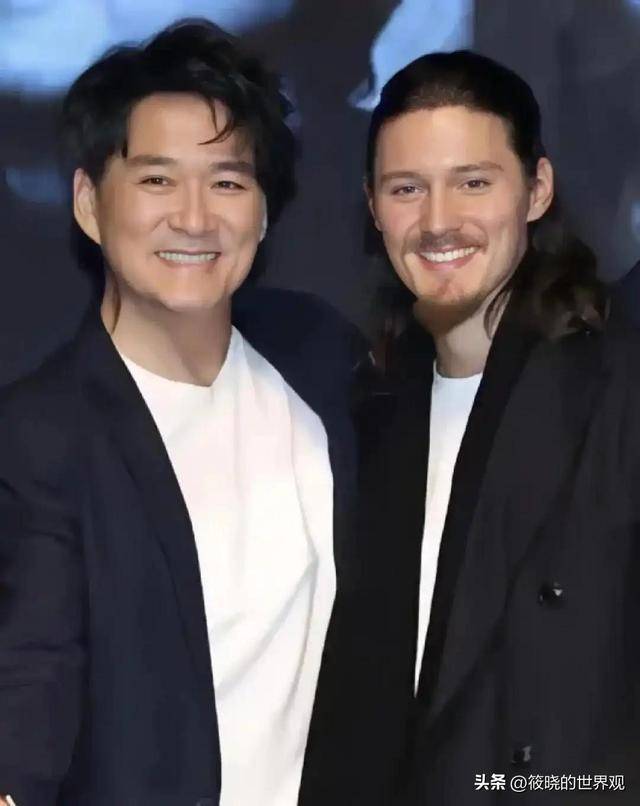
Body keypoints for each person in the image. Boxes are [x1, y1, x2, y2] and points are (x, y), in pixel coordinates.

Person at [0, 20, 361, 806]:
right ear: (90, 204)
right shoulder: (37, 438)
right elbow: (31, 676)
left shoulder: (321, 357)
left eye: (227, 183)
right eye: (158, 180)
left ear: (263, 213)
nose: (195, 219)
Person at [302, 50, 640, 805]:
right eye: (406, 188)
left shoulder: (616, 392)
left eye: (474, 183)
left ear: (537, 189)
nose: (438, 221)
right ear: (372, 206)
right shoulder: (364, 414)